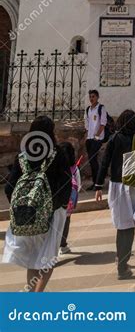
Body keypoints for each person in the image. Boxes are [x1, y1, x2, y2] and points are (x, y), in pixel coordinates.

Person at [3, 116, 71, 292]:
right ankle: (37, 295)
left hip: (25, 215)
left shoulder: (23, 156)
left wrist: (22, 205)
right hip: (51, 214)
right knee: (47, 259)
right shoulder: (57, 155)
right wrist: (59, 205)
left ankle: (32, 293)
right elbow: (65, 184)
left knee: (32, 259)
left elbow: (9, 187)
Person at [95, 110, 135, 280]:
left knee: (121, 226)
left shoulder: (114, 138)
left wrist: (98, 185)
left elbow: (105, 162)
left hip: (117, 185)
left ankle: (122, 262)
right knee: (130, 225)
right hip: (133, 184)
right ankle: (123, 262)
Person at [58, 142, 82, 255]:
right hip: (69, 203)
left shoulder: (56, 167)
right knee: (66, 222)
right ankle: (63, 245)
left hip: (57, 201)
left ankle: (53, 245)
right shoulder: (75, 169)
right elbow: (79, 185)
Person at [85, 89, 107, 190]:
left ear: (97, 97)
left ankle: (98, 183)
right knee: (92, 161)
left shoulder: (101, 108)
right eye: (90, 97)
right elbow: (87, 124)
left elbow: (103, 123)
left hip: (97, 139)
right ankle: (95, 182)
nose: (91, 99)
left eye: (93, 96)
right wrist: (88, 136)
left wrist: (97, 136)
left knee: (93, 160)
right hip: (89, 138)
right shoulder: (88, 109)